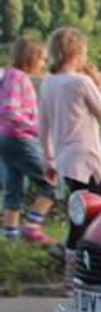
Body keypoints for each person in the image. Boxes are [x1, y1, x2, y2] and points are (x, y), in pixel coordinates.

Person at [38, 26, 101, 245]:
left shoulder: (48, 82)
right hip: (86, 157)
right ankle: (74, 256)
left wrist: (49, 159)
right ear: (78, 53)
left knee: (82, 209)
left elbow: (43, 125)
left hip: (65, 156)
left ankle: (75, 255)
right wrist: (99, 83)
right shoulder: (81, 83)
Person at [0, 35, 57, 245]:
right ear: (30, 57)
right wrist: (35, 128)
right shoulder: (18, 78)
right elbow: (9, 111)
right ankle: (32, 227)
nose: (43, 63)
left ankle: (11, 239)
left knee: (13, 189)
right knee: (51, 184)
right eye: (41, 59)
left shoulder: (8, 76)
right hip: (18, 139)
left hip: (6, 139)